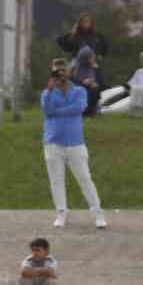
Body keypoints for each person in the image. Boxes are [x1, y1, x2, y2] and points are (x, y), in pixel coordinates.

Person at [40, 64, 106, 230]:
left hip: (75, 143)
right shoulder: (47, 92)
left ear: (69, 74)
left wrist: (57, 111)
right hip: (53, 142)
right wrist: (49, 91)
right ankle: (61, 213)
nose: (60, 75)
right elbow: (47, 111)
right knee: (56, 180)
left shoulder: (79, 91)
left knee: (84, 178)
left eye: (63, 71)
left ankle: (97, 213)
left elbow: (79, 108)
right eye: (56, 72)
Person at [70, 46, 102, 118]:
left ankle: (92, 111)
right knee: (83, 91)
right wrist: (83, 82)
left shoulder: (94, 67)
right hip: (79, 89)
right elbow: (74, 79)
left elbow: (99, 80)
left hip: (91, 88)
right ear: (85, 58)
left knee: (95, 90)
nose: (94, 58)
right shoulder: (77, 67)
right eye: (91, 57)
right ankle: (83, 112)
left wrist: (94, 81)